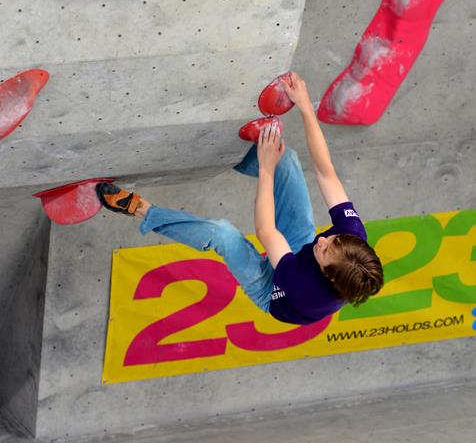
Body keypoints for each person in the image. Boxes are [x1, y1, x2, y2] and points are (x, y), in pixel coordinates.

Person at [96, 72, 383, 325]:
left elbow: (266, 231)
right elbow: (325, 173)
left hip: (271, 290)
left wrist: (267, 168)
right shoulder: (352, 236)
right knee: (289, 161)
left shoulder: (309, 292)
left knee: (222, 233)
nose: (323, 239)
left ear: (330, 275)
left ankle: (143, 211)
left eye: (325, 249)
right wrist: (307, 107)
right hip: (299, 253)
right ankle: (232, 154)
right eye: (332, 239)